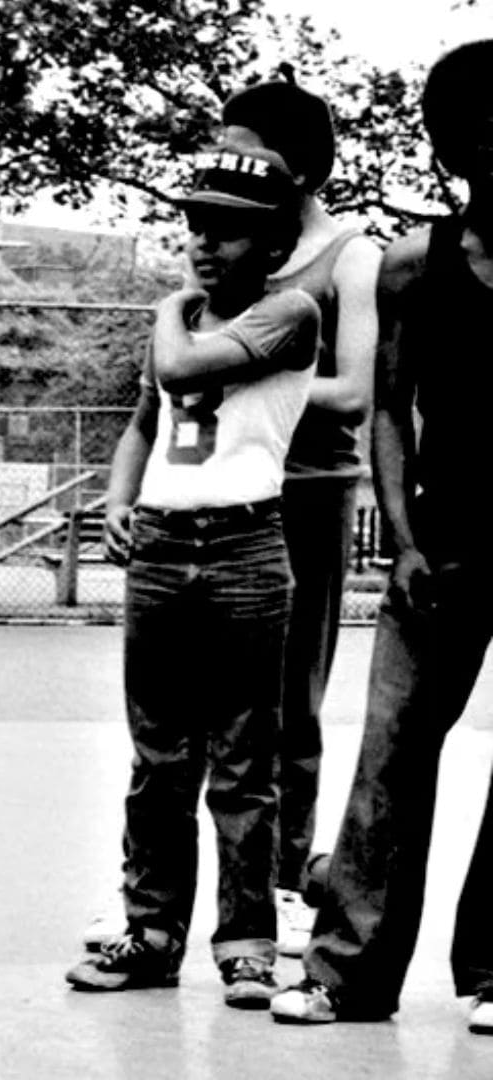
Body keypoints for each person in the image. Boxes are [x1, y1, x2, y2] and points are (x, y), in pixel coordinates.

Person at [81, 81, 384, 960]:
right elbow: (164, 390)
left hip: (304, 486)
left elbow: (355, 392)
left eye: (247, 149)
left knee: (286, 707)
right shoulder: (212, 254)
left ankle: (281, 886)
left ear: (295, 171)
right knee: (170, 729)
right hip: (198, 493)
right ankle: (154, 899)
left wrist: (253, 371)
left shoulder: (346, 259)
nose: (227, 164)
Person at [269, 41, 493, 1035]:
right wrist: (400, 536)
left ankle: (492, 968)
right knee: (395, 750)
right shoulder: (415, 264)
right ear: (456, 146)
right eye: (479, 130)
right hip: (440, 543)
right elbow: (390, 410)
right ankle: (347, 970)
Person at [64, 145, 319, 1008]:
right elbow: (148, 416)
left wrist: (174, 306)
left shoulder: (291, 310)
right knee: (159, 756)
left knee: (245, 757)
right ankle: (152, 928)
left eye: (233, 232)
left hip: (246, 543)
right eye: (197, 226)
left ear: (276, 244)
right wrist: (118, 494)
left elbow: (180, 370)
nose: (206, 246)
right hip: (165, 549)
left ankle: (246, 942)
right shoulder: (177, 320)